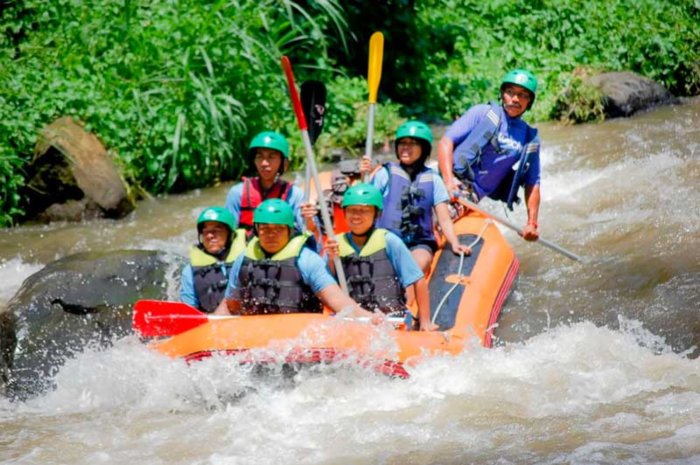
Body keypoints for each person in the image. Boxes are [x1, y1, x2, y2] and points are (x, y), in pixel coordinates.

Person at [214, 199, 372, 318]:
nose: (271, 234)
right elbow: (231, 305)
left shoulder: (306, 260)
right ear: (256, 230)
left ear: (290, 231)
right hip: (258, 336)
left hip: (300, 339)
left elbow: (338, 301)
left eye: (278, 229)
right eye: (265, 228)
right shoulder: (243, 259)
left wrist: (370, 319)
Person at [437, 69, 541, 241]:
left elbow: (533, 183)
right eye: (510, 92)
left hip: (470, 194)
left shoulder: (530, 138)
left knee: (441, 220)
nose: (515, 99)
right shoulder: (482, 113)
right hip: (450, 180)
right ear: (502, 94)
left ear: (529, 102)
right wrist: (448, 182)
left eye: (523, 95)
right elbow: (446, 142)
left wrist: (532, 223)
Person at [361, 120, 471, 278]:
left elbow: (444, 219)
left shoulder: (433, 179)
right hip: (385, 241)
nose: (406, 147)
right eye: (402, 143)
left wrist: (454, 243)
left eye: (412, 144)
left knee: (414, 267)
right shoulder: (384, 174)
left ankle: (407, 299)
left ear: (423, 149)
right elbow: (366, 206)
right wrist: (363, 176)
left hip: (419, 244)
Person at [323, 183, 437, 331]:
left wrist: (425, 321)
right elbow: (327, 287)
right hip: (355, 319)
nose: (356, 216)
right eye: (351, 210)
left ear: (377, 214)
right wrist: (332, 259)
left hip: (391, 318)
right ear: (344, 213)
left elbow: (418, 280)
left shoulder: (389, 241)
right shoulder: (335, 244)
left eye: (364, 211)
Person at [224, 130, 317, 238]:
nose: (264, 163)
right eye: (259, 157)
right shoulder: (237, 192)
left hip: (281, 250)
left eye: (271, 157)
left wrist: (309, 219)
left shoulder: (295, 195)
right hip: (247, 251)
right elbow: (227, 232)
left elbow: (307, 232)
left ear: (284, 163)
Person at [180, 206, 247, 313]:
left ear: (230, 234)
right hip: (214, 322)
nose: (209, 236)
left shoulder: (248, 260)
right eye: (205, 231)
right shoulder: (189, 271)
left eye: (216, 230)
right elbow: (189, 311)